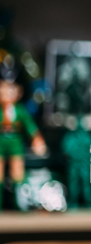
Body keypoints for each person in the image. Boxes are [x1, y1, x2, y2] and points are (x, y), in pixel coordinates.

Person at [0, 71, 45, 210]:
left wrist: (37, 139)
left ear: (19, 91)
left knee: (17, 173)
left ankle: (20, 204)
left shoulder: (20, 110)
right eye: (3, 88)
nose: (6, 92)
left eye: (11, 88)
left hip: (16, 144)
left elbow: (29, 126)